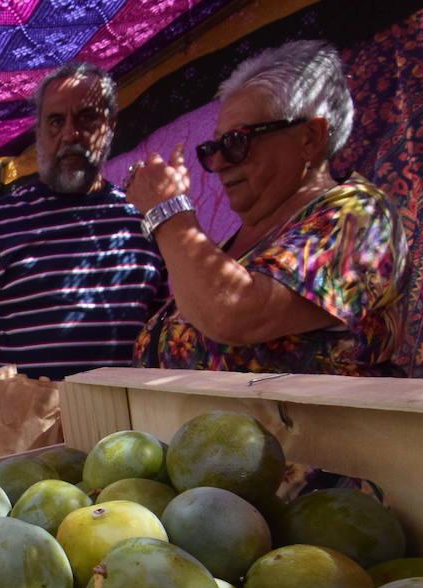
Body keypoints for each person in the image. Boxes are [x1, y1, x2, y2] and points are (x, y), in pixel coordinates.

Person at [128, 40, 404, 376]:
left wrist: (169, 211)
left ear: (309, 137)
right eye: (213, 146)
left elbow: (231, 313)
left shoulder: (360, 214)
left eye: (235, 142)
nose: (218, 162)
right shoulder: (247, 242)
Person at [0, 62, 167, 379]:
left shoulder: (144, 219)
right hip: (22, 422)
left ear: (109, 127)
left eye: (87, 117)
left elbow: (162, 322)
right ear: (39, 133)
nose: (70, 133)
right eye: (56, 121)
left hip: (121, 423)